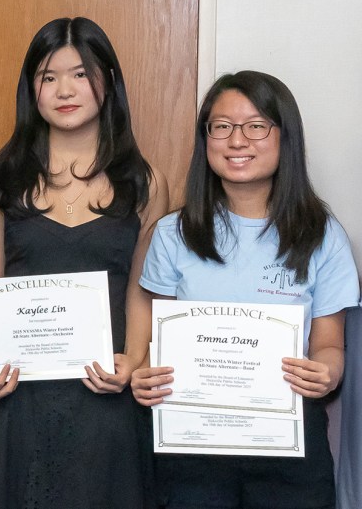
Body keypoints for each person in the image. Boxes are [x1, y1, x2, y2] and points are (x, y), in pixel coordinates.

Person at [0, 17, 168, 508]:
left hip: (103, 390)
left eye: (80, 73)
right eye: (48, 77)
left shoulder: (145, 181)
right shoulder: (2, 175)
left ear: (108, 82)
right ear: (32, 89)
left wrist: (134, 360)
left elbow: (142, 286)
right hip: (15, 389)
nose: (64, 89)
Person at [131, 70, 358, 509]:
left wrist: (327, 372)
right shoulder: (172, 234)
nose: (237, 141)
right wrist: (145, 376)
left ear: (284, 136)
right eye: (222, 127)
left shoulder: (322, 235)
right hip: (189, 447)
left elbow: (330, 345)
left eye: (256, 126)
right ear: (206, 138)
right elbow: (159, 344)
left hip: (288, 446)